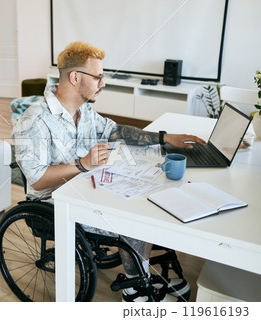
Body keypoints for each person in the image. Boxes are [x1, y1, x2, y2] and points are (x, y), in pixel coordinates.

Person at [12, 41, 205, 302]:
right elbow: (36, 182)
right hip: (53, 203)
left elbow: (115, 131)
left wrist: (165, 137)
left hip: (87, 185)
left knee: (146, 199)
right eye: (98, 77)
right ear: (75, 77)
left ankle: (143, 276)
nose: (103, 83)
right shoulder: (34, 121)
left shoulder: (84, 111)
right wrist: (82, 164)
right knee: (131, 218)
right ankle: (134, 289)